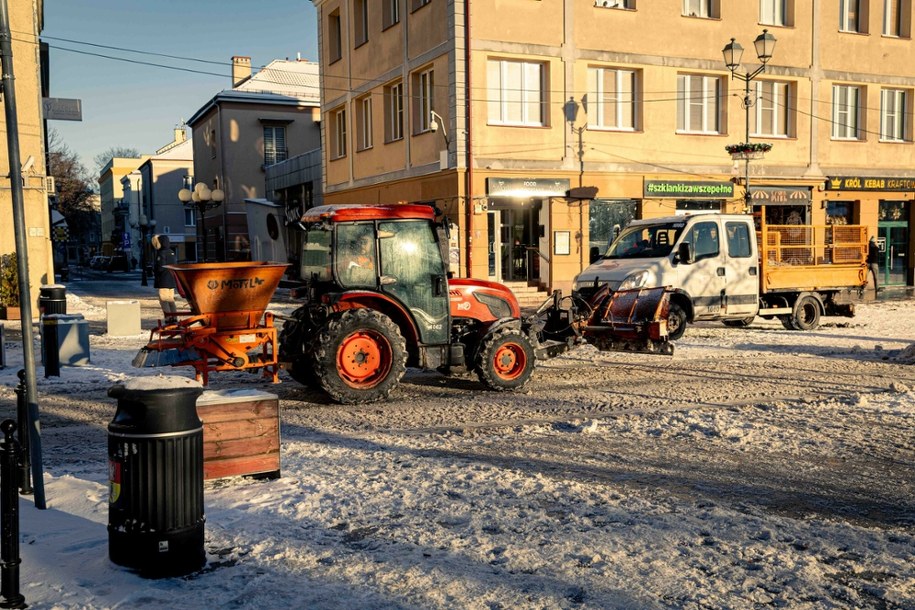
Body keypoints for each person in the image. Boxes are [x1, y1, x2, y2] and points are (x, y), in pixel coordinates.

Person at [151, 234, 178, 322]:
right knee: (171, 300)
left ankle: (168, 317)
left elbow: (160, 267)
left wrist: (154, 270)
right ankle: (174, 317)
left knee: (163, 300)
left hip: (164, 280)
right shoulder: (171, 251)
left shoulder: (161, 253)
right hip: (172, 280)